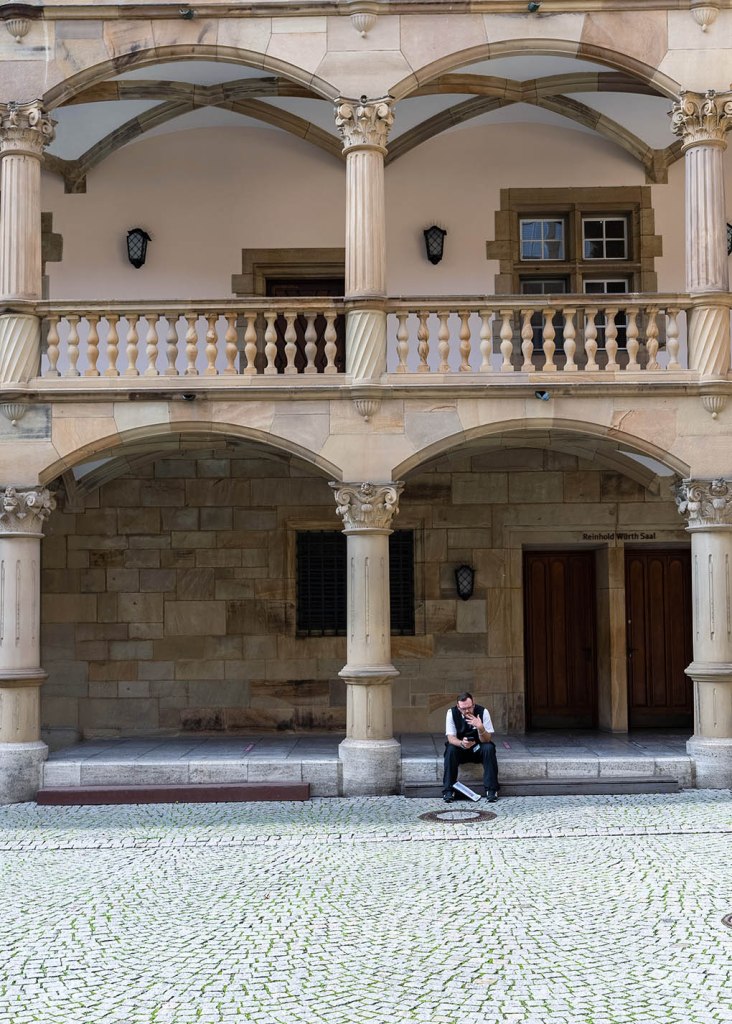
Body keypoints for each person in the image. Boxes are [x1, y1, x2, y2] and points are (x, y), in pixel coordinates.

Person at [442, 691, 499, 803]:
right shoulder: (451, 713)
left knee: (489, 748)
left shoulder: (483, 712)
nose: (467, 711)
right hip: (461, 749)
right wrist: (461, 743)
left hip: (478, 748)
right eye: (463, 709)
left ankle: (491, 790)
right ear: (458, 707)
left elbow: (487, 739)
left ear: (473, 704)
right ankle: (448, 790)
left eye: (469, 707)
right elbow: (451, 738)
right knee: (450, 749)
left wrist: (480, 727)